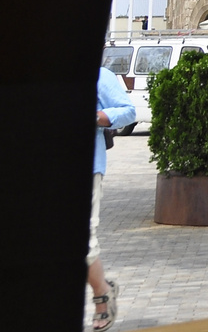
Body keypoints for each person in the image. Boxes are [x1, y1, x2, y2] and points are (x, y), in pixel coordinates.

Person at [90, 65, 136, 331]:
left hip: (88, 169)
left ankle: (102, 296)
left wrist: (97, 117)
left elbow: (128, 111)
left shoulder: (98, 75)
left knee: (83, 242)